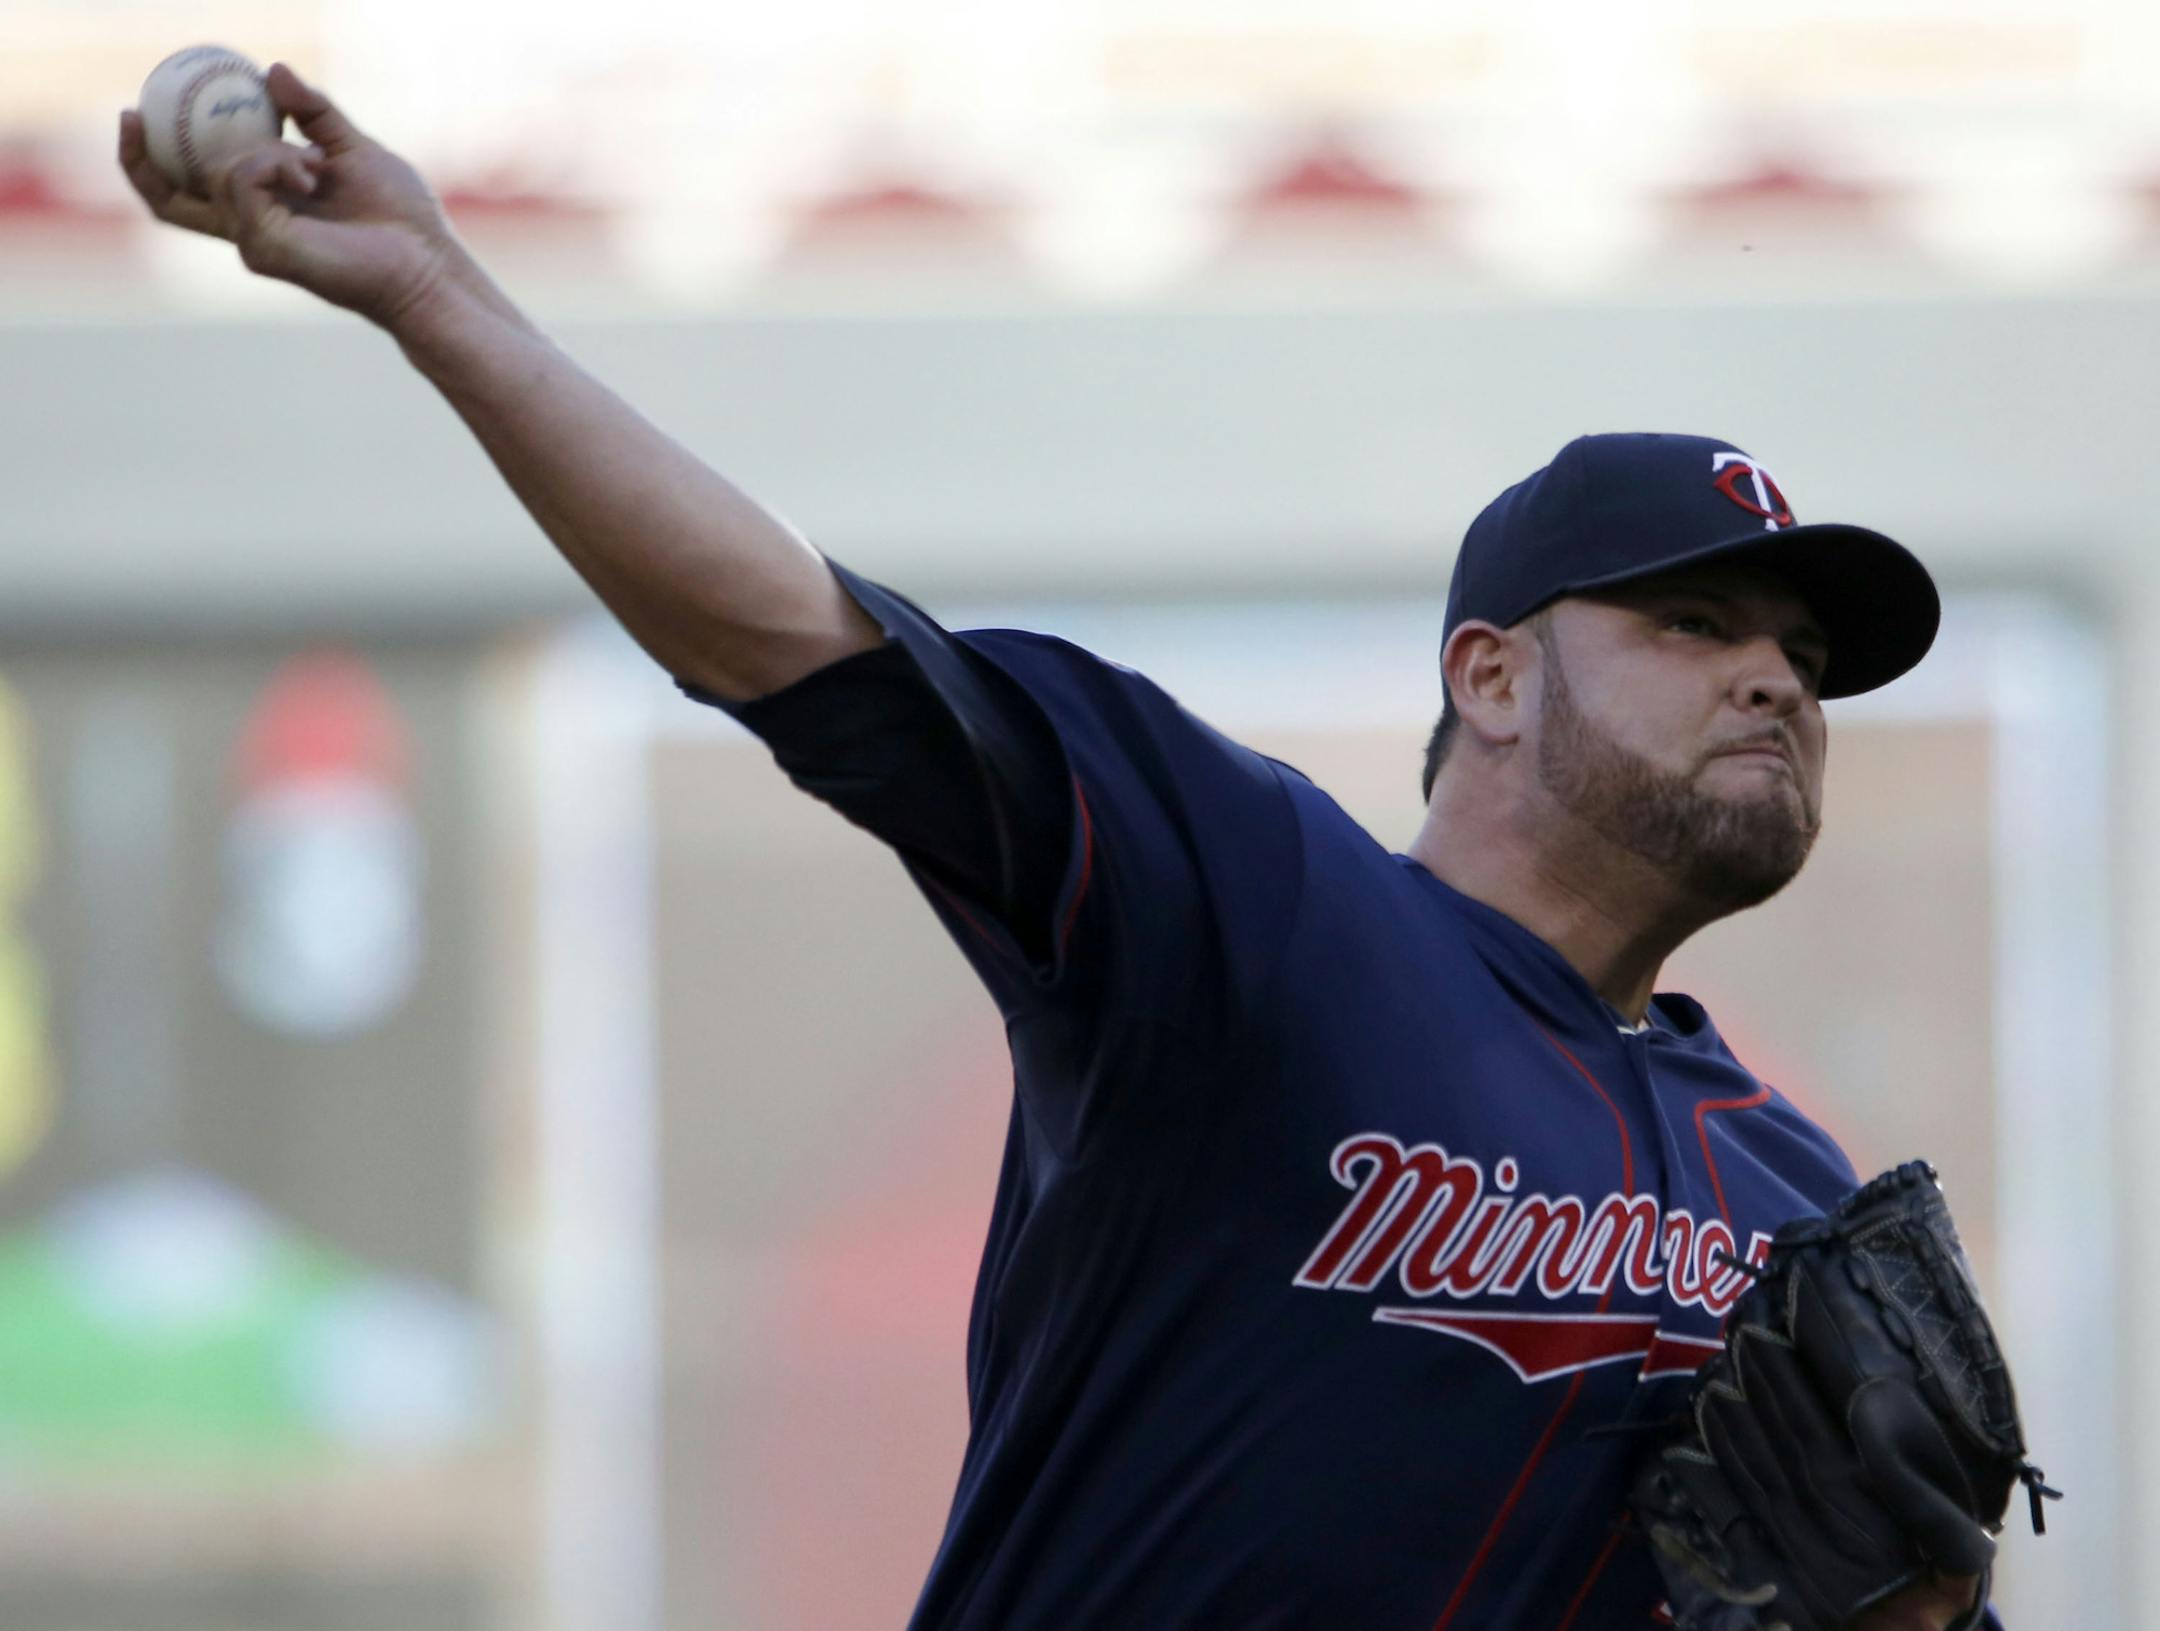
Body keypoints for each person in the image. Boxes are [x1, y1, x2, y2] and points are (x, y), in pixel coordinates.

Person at [120, 67, 2002, 1631]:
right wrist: (436, 292)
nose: (1775, 681)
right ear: (1492, 681)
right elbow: (781, 636)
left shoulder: (1793, 1199)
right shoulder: (1256, 905)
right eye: (1696, 626)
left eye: (1809, 659)